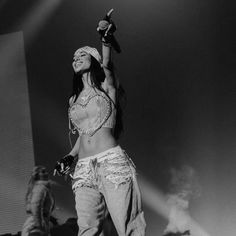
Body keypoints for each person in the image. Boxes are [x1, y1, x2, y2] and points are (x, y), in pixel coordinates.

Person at [54, 9, 146, 236]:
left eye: (82, 55)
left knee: (128, 226)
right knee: (87, 230)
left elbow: (107, 63)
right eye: (74, 57)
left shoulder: (107, 87)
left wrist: (105, 39)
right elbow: (83, 135)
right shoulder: (73, 100)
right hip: (84, 170)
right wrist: (69, 156)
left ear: (92, 60)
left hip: (111, 163)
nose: (76, 59)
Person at [22, 166, 55, 236]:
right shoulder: (41, 187)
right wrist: (39, 225)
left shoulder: (42, 188)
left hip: (38, 223)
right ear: (37, 175)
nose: (46, 173)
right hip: (35, 225)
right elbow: (35, 205)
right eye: (43, 172)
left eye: (45, 171)